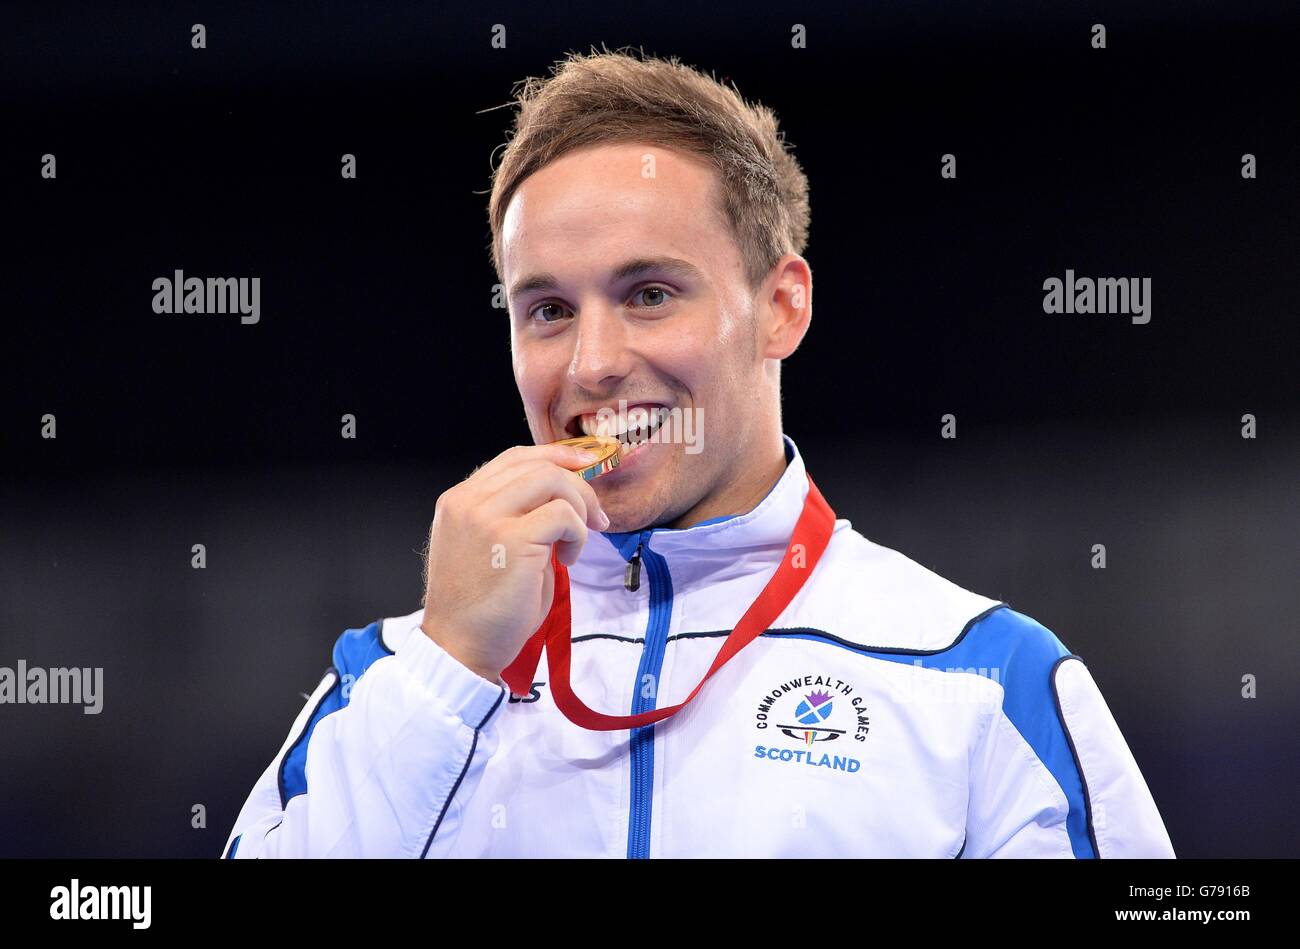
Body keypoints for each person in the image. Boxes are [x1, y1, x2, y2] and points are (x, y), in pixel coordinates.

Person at [222, 49, 1175, 859]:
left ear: (780, 306)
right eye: (548, 310)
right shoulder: (394, 679)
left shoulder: (980, 680)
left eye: (648, 294)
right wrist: (449, 668)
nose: (593, 365)